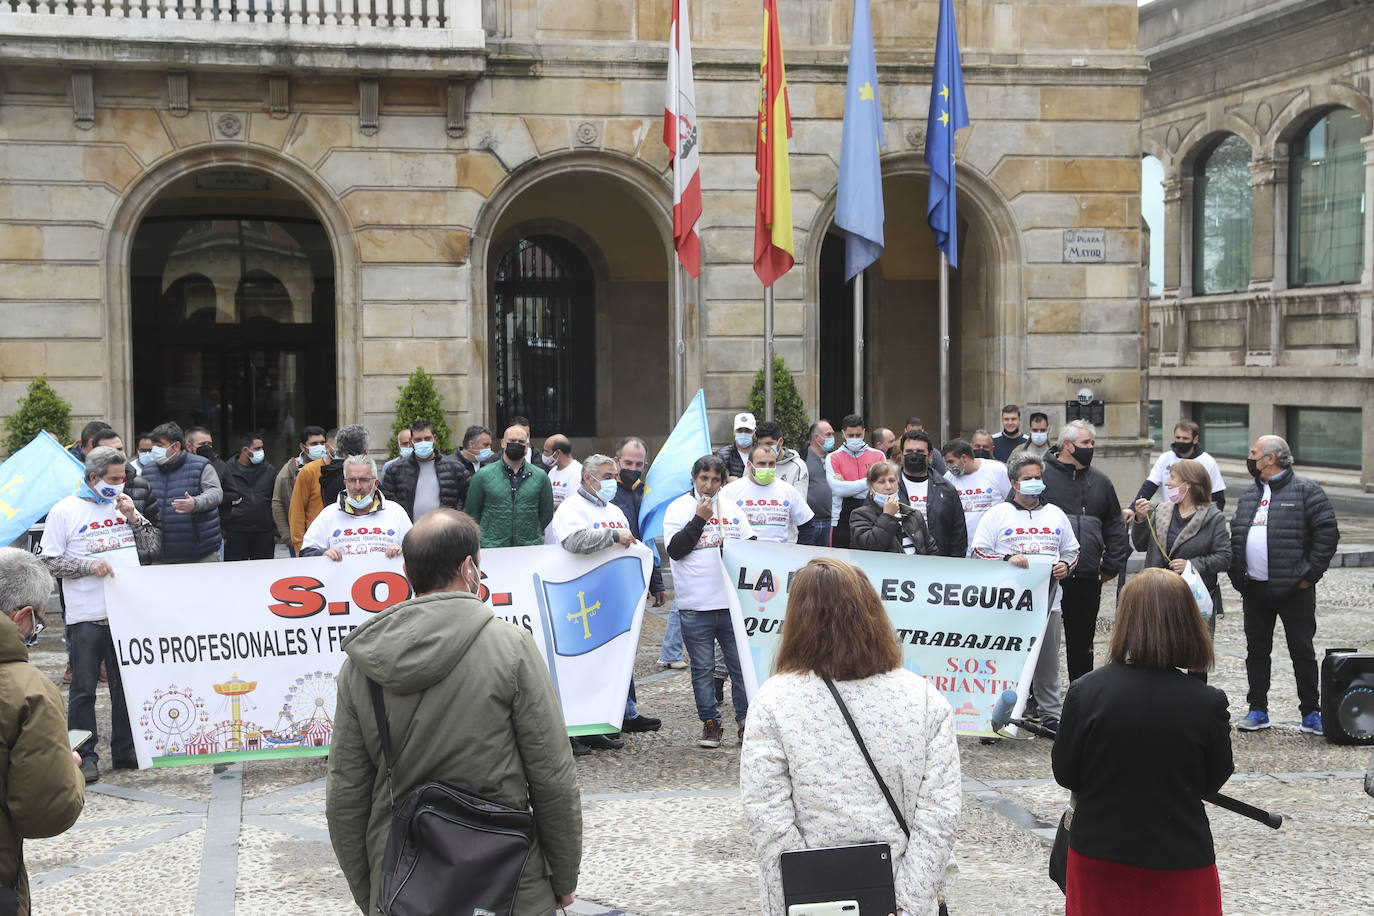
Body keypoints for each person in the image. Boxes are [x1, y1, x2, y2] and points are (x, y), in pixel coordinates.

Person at [325, 510, 582, 916]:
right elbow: (552, 776)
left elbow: (345, 797)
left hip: (401, 878)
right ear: (469, 568)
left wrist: (373, 890)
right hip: (507, 878)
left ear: (407, 571)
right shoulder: (511, 646)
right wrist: (564, 877)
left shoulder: (361, 664)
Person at [740, 556, 960, 916]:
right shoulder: (924, 699)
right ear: (872, 614)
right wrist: (906, 903)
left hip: (809, 898)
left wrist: (807, 898)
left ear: (797, 621)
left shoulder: (773, 701)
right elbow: (939, 816)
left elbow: (767, 816)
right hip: (901, 889)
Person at [1052, 568, 1232, 916]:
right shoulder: (1207, 702)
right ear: (1188, 622)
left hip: (1099, 853)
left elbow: (1067, 775)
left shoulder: (1086, 691)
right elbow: (1213, 780)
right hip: (1179, 855)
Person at [40, 447, 160, 781]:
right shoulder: (65, 510)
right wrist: (87, 566)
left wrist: (134, 517)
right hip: (86, 615)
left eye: (123, 478)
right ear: (93, 478)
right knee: (83, 689)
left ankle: (125, 749)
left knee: (126, 686)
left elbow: (152, 547)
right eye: (113, 479)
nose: (120, 484)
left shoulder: (122, 505)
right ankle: (84, 754)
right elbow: (48, 561)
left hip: (126, 613)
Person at [1229, 435, 1339, 734]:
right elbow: (1237, 534)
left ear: (1270, 459)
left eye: (1254, 453)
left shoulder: (1306, 491)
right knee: (1256, 650)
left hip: (1294, 590)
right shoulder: (1250, 494)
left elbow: (1327, 534)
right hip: (1255, 589)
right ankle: (1257, 709)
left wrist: (1309, 575)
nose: (1249, 458)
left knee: (1301, 650)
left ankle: (1311, 712)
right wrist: (1238, 576)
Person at [552, 454, 662, 746]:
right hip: (580, 598)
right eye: (607, 476)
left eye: (614, 475)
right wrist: (613, 536)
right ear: (588, 479)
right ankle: (582, 726)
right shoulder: (571, 509)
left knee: (616, 658)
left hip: (612, 595)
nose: (613, 482)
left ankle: (618, 715)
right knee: (585, 664)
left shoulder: (614, 509)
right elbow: (574, 541)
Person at [0, 548, 86, 912]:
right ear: (21, 618)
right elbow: (43, 812)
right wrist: (67, 769)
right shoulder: (27, 689)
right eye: (37, 625)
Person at [971, 452, 1079, 731]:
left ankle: (1050, 715)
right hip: (1008, 605)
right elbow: (979, 551)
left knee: (1047, 663)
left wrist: (1066, 566)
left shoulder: (1056, 514)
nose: (1034, 483)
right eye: (1027, 478)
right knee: (1004, 660)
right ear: (1013, 483)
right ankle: (994, 716)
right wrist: (1006, 561)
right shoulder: (997, 514)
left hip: (1048, 603)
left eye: (1038, 478)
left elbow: (1072, 550)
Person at [664, 455, 755, 748]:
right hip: (695, 605)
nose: (709, 485)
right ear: (694, 478)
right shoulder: (677, 508)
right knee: (702, 669)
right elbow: (676, 550)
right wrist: (699, 519)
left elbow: (750, 547)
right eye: (704, 479)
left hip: (730, 604)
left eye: (716, 480)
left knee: (740, 668)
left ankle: (746, 722)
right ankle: (711, 722)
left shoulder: (730, 508)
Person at [1042, 420, 1130, 683]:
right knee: (1044, 640)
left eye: (1092, 443)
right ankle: (1036, 697)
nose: (1091, 448)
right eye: (1085, 443)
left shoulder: (1101, 482)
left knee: (1082, 643)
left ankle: (1081, 692)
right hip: (1049, 576)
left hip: (1087, 576)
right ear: (1067, 445)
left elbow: (1115, 524)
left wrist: (1111, 564)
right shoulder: (1043, 476)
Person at [1131, 459, 1230, 680]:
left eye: (1173, 478)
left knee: (1195, 656)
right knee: (1157, 653)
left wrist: (1191, 565)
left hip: (1193, 598)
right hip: (1158, 595)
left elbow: (1224, 557)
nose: (1167, 483)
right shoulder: (1162, 510)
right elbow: (1140, 544)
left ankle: (1194, 708)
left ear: (1190, 484)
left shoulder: (1213, 517)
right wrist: (1139, 519)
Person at [301, 455, 411, 561]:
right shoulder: (328, 514)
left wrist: (402, 551)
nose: (357, 487)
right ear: (345, 483)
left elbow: (415, 552)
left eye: (364, 480)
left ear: (376, 483)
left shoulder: (396, 512)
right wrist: (323, 554)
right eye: (352, 480)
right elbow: (305, 552)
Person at [144, 421, 223, 563]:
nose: (154, 450)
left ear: (176, 446)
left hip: (200, 554)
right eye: (153, 446)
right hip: (160, 554)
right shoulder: (148, 470)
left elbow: (216, 493)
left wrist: (195, 503)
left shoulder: (200, 465)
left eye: (160, 446)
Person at [463, 425, 554, 548]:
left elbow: (546, 513)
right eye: (512, 441)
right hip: (492, 547)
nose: (516, 444)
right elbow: (472, 512)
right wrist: (487, 536)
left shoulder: (540, 476)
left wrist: (531, 531)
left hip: (528, 547)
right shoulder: (483, 475)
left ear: (527, 447)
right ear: (503, 443)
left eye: (521, 441)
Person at [290, 424, 369, 554]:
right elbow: (296, 511)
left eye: (321, 443)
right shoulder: (309, 471)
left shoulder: (358, 472)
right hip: (316, 544)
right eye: (315, 444)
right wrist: (300, 548)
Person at [721, 443, 814, 544]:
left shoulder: (788, 490)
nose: (767, 468)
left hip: (779, 555)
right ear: (749, 465)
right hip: (742, 556)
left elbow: (807, 525)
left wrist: (798, 552)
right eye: (761, 463)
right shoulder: (730, 491)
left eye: (771, 464)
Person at [93, 427, 160, 562]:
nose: (118, 455)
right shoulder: (80, 497)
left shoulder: (141, 484)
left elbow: (155, 532)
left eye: (120, 449)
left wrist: (133, 519)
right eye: (110, 451)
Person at [897, 430, 965, 559]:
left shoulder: (947, 489)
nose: (914, 455)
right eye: (909, 452)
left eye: (920, 452)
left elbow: (958, 535)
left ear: (931, 455)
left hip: (938, 565)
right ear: (901, 454)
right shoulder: (887, 487)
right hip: (897, 565)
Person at [1134, 420, 1227, 512]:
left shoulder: (1208, 461)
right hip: (1171, 514)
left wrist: (1215, 519)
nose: (1181, 441)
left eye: (1185, 438)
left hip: (1199, 515)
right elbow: (1149, 486)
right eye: (1178, 438)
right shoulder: (1165, 458)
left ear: (1195, 439)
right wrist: (1132, 509)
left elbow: (1217, 495)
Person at [381, 421, 464, 523]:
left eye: (427, 438)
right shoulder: (396, 469)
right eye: (418, 440)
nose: (423, 442)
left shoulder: (455, 468)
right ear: (411, 442)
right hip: (409, 531)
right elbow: (389, 503)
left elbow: (466, 501)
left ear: (434, 438)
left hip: (445, 531)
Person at [849, 461, 938, 555]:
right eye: (881, 482)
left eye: (892, 481)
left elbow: (931, 549)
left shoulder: (913, 514)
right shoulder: (860, 515)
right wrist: (887, 516)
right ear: (871, 488)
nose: (888, 487)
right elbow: (870, 546)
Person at [825, 413, 886, 548]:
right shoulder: (833, 457)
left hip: (873, 514)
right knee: (841, 566)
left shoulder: (878, 455)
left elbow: (883, 487)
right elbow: (839, 489)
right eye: (851, 435)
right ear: (843, 434)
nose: (854, 438)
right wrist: (871, 480)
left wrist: (847, 486)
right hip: (841, 519)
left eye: (858, 435)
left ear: (864, 432)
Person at [942, 438, 1010, 557]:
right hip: (964, 547)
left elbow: (1010, 500)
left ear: (964, 458)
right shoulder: (948, 478)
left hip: (994, 545)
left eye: (951, 462)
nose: (948, 466)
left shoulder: (996, 470)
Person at [272, 425, 328, 558]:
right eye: (314, 444)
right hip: (301, 538)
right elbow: (278, 503)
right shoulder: (290, 470)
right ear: (303, 447)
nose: (319, 447)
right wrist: (289, 537)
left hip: (326, 535)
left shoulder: (331, 465)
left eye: (322, 443)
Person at [222, 432, 278, 561]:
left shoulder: (269, 471)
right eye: (257, 448)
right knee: (235, 574)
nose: (261, 452)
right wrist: (223, 532)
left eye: (262, 448)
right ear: (245, 450)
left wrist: (276, 532)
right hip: (235, 533)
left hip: (264, 533)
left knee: (263, 574)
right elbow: (220, 502)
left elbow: (277, 501)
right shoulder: (227, 471)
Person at [541, 434, 583, 542]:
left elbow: (575, 505)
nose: (543, 455)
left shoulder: (577, 472)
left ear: (558, 453)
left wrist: (546, 504)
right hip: (550, 536)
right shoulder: (552, 471)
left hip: (566, 535)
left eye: (546, 452)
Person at [801, 420, 835, 547]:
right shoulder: (802, 458)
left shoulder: (834, 459)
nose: (832, 438)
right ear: (816, 438)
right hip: (810, 523)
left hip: (830, 522)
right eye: (828, 434)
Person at [753, 420, 809, 493]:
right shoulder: (753, 463)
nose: (765, 449)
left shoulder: (798, 466)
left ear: (781, 441)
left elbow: (799, 501)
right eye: (761, 445)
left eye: (769, 444)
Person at [714, 412, 757, 482]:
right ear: (734, 431)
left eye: (748, 430)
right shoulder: (722, 455)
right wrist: (727, 479)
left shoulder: (760, 453)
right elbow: (716, 478)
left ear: (754, 432)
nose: (743, 433)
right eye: (740, 430)